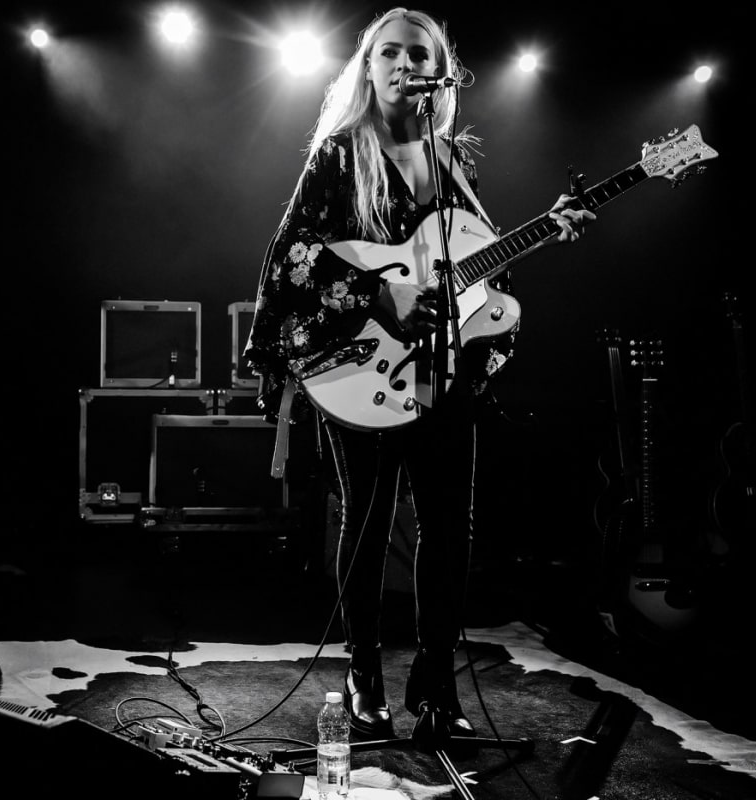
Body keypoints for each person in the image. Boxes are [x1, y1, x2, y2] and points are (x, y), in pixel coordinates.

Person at [243, 7, 594, 741]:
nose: (405, 64)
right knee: (367, 526)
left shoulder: (451, 162)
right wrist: (381, 293)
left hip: (445, 372)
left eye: (420, 53)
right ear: (367, 68)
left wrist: (547, 225)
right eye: (391, 52)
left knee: (448, 531)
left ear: (442, 71)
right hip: (362, 365)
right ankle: (363, 675)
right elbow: (292, 259)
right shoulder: (341, 154)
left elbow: (472, 261)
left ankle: (437, 690)